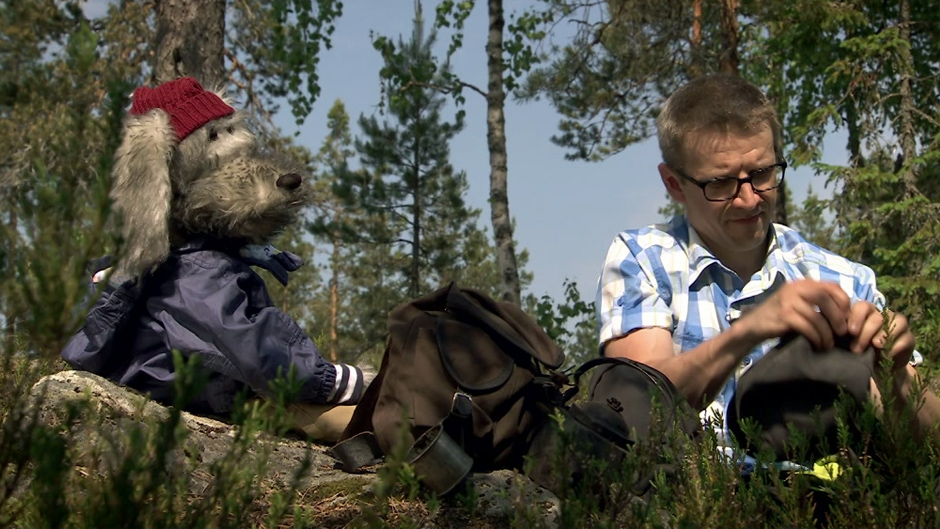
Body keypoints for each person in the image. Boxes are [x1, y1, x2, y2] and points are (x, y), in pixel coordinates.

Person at [595, 73, 940, 459]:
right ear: (674, 184)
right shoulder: (644, 259)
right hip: (691, 493)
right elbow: (637, 409)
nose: (749, 199)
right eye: (721, 183)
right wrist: (749, 331)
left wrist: (895, 374)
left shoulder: (845, 279)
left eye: (762, 174)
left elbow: (931, 441)